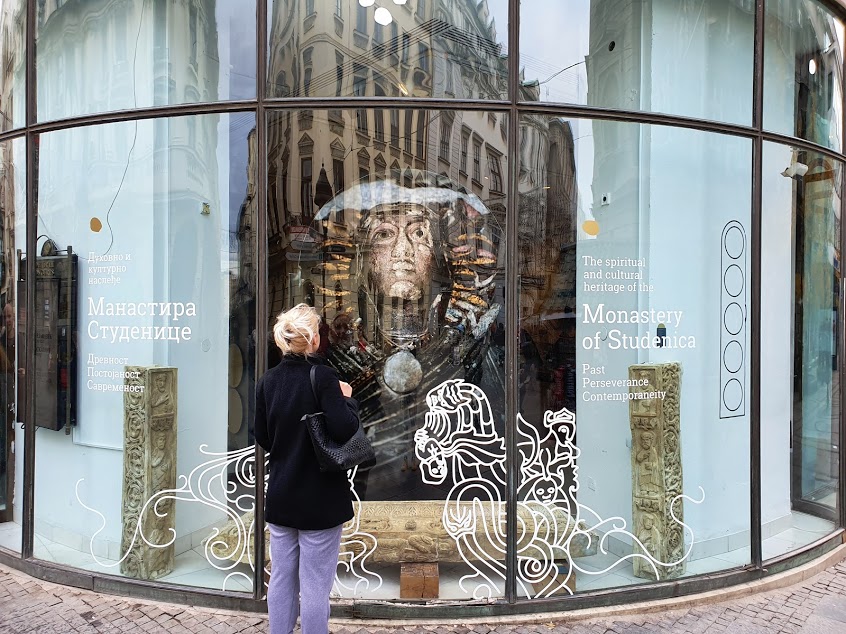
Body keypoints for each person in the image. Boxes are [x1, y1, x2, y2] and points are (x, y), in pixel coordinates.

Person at [255, 303, 360, 634]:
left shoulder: (268, 381)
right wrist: (347, 398)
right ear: (313, 339)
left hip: (283, 495)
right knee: (315, 585)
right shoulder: (324, 377)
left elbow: (263, 437)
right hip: (320, 499)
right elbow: (344, 429)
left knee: (282, 579)